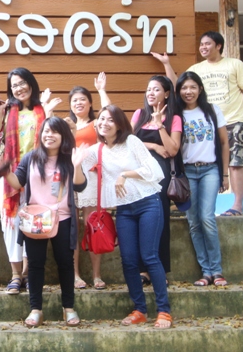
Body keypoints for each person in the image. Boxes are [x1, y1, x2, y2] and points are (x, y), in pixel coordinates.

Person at [153, 31, 243, 215]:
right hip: (205, 124)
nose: (203, 47)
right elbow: (178, 85)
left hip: (234, 120)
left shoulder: (235, 64)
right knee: (206, 163)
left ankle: (237, 206)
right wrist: (167, 64)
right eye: (201, 44)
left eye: (207, 43)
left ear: (218, 45)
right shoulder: (196, 69)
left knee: (236, 163)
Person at [84, 105, 172, 329]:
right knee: (129, 260)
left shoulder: (131, 141)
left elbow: (154, 170)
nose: (104, 123)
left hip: (148, 203)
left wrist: (125, 174)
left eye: (110, 120)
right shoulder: (97, 150)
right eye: (101, 119)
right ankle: (140, 309)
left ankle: (164, 311)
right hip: (124, 210)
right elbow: (78, 171)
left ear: (119, 124)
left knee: (150, 256)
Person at [3, 117, 88, 327]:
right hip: (35, 219)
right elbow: (17, 182)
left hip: (63, 218)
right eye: (46, 131)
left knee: (66, 263)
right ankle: (36, 310)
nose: (49, 135)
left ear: (63, 135)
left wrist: (77, 166)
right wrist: (4, 171)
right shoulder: (31, 158)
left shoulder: (69, 158)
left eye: (54, 132)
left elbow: (80, 186)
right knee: (35, 265)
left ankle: (68, 308)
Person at [0, 67, 61, 295]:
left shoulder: (42, 109)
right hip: (11, 175)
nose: (19, 88)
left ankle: (28, 273)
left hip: (36, 174)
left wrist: (49, 112)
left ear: (31, 83)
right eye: (14, 85)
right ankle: (15, 274)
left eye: (22, 83)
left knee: (33, 221)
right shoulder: (7, 111)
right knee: (11, 224)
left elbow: (51, 138)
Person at [176, 72, 230, 287]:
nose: (188, 91)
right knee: (193, 222)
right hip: (187, 171)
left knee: (207, 218)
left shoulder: (212, 111)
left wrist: (225, 174)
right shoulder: (177, 114)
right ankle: (206, 272)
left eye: (192, 87)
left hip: (210, 170)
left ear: (200, 89)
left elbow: (224, 143)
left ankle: (217, 270)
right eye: (184, 88)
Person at [131, 76, 182, 284]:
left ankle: (159, 270)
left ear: (167, 94)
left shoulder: (174, 119)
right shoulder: (140, 114)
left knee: (160, 219)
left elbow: (172, 150)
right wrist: (153, 146)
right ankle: (142, 270)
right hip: (138, 174)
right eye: (149, 89)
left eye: (156, 89)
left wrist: (160, 126)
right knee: (139, 219)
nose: (151, 93)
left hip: (161, 176)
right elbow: (128, 143)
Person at [65, 73, 111, 290]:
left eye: (83, 99)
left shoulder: (96, 124)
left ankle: (97, 275)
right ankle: (75, 275)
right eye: (74, 100)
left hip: (92, 178)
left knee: (93, 225)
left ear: (90, 103)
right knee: (72, 228)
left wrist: (101, 90)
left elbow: (110, 112)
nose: (78, 103)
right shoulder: (67, 125)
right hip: (70, 177)